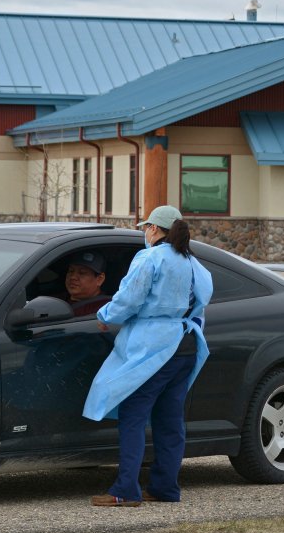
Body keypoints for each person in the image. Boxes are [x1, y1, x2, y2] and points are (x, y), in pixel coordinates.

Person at [82, 206, 213, 507]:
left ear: (154, 229)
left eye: (145, 228)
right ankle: (166, 487)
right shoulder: (193, 263)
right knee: (170, 420)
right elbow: (203, 299)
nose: (144, 233)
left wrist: (105, 315)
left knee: (133, 415)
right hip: (187, 342)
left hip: (154, 345)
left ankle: (126, 489)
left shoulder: (150, 258)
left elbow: (130, 297)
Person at [64, 251, 112, 316]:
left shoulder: (105, 310)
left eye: (82, 273)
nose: (73, 277)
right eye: (71, 271)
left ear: (99, 279)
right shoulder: (57, 299)